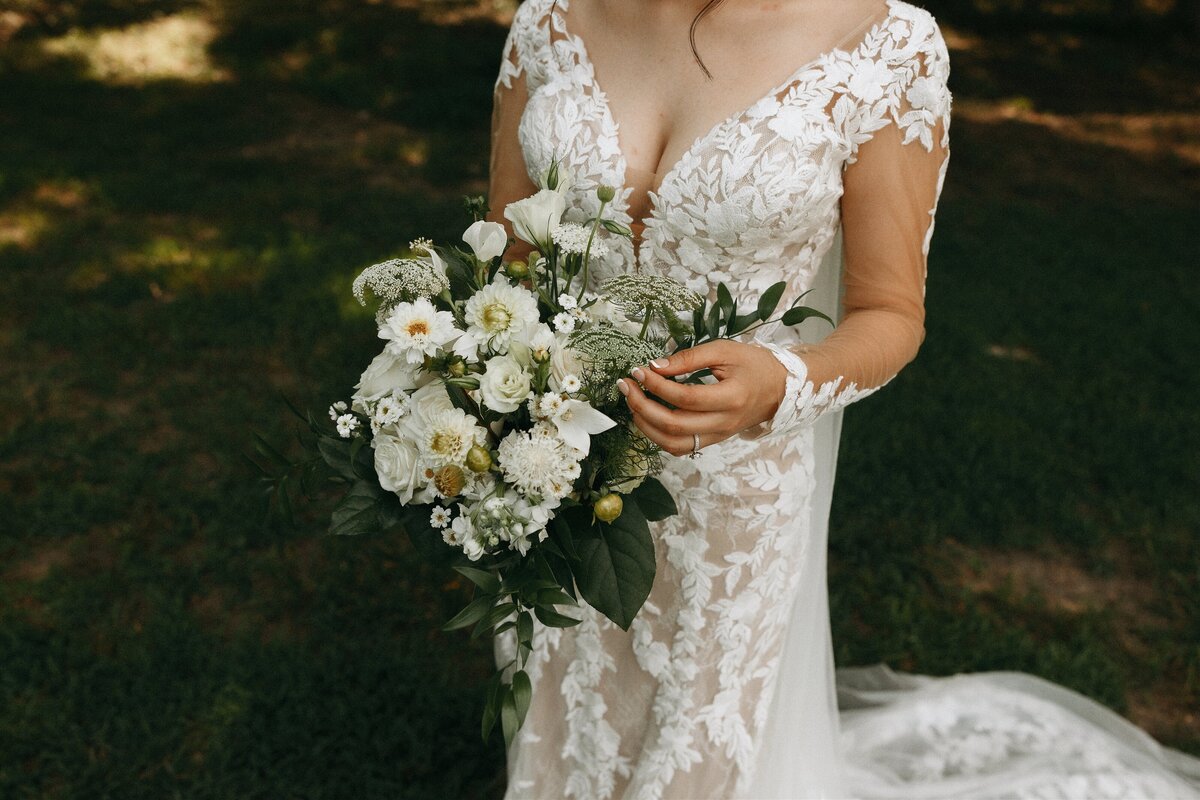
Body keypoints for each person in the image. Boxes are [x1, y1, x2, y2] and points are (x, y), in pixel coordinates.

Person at [486, 0, 1200, 797]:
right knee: (567, 701)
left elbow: (890, 314)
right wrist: (474, 402)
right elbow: (505, 262)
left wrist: (779, 383)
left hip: (734, 495)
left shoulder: (883, 41)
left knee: (696, 754)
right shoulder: (551, 21)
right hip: (558, 463)